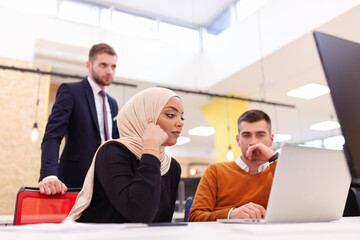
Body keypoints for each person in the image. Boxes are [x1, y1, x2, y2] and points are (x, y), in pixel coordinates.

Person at [67, 87, 183, 223]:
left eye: (182, 117)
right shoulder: (112, 152)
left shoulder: (172, 167)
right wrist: (151, 147)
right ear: (146, 118)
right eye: (170, 115)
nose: (180, 123)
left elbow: (161, 224)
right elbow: (140, 215)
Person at [39, 43, 120, 195]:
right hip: (75, 181)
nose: (109, 71)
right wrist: (49, 175)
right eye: (103, 65)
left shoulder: (112, 103)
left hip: (108, 185)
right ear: (89, 65)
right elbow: (53, 135)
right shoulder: (70, 91)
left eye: (113, 66)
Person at [188, 109, 278, 221]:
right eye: (246, 135)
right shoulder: (215, 171)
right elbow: (194, 217)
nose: (253, 142)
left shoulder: (278, 172)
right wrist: (230, 214)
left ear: (271, 139)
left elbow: (300, 208)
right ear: (238, 139)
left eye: (260, 135)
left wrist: (274, 158)